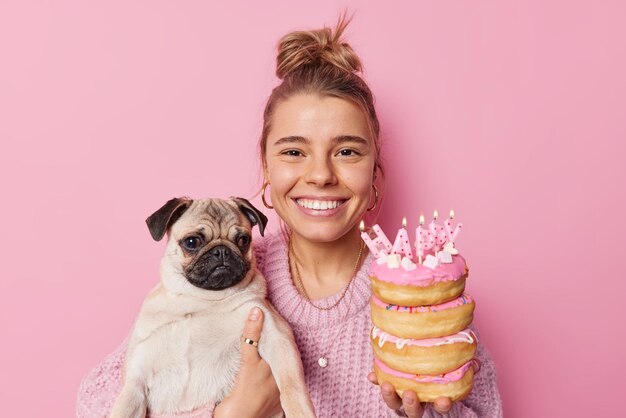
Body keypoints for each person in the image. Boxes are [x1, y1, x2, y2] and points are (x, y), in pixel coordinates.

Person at [77, 16, 502, 418]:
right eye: (294, 152)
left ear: (376, 174)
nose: (319, 174)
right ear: (267, 170)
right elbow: (95, 400)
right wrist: (228, 413)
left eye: (347, 151)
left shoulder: (419, 289)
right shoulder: (221, 282)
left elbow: (486, 409)